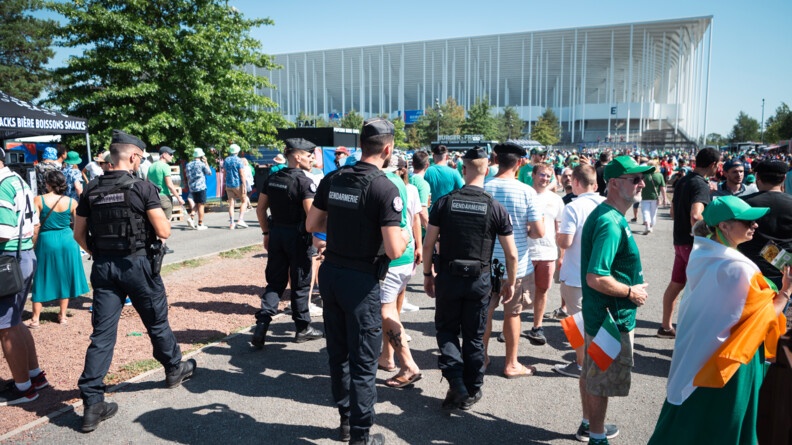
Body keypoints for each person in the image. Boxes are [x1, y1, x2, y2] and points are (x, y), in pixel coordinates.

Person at [73, 130, 196, 433]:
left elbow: (78, 234)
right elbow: (164, 231)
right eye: (140, 157)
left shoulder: (90, 189)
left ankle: (91, 403)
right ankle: (173, 368)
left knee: (102, 335)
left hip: (103, 267)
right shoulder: (142, 188)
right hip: (138, 265)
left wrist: (100, 253)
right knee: (156, 321)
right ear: (133, 157)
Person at [648, 196, 790, 445]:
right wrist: (786, 291)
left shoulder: (704, 254)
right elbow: (765, 316)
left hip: (701, 352)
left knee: (692, 420)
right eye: (747, 220)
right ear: (723, 226)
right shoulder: (738, 268)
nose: (755, 224)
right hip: (731, 360)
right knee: (724, 426)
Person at [306, 117, 409, 445]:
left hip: (332, 274)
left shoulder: (334, 177)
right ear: (388, 149)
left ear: (360, 146)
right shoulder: (384, 186)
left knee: (338, 354)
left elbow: (312, 223)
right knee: (364, 360)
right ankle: (361, 436)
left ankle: (347, 421)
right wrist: (406, 237)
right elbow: (394, 249)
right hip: (361, 280)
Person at [423, 146, 518, 411]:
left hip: (449, 278)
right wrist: (511, 281)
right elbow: (511, 253)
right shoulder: (495, 207)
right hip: (480, 280)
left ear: (463, 169)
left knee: (447, 330)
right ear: (487, 170)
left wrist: (427, 274)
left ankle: (456, 382)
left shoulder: (444, 202)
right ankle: (472, 388)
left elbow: (429, 243)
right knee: (475, 337)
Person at [576, 155, 653, 445]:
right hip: (609, 318)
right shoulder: (610, 222)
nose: (642, 183)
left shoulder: (611, 216)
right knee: (601, 381)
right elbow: (596, 277)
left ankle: (589, 425)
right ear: (615, 183)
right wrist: (631, 292)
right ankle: (597, 436)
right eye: (636, 179)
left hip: (603, 313)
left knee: (592, 374)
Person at [252, 138, 324, 348]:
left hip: (276, 235)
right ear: (297, 156)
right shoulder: (305, 181)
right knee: (300, 283)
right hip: (297, 237)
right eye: (309, 155)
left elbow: (260, 209)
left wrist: (266, 232)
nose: (312, 159)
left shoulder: (273, 178)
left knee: (274, 283)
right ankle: (303, 328)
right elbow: (312, 217)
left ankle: (262, 324)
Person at [482, 142, 544, 379]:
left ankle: (483, 357)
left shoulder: (485, 187)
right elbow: (539, 230)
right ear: (519, 163)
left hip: (488, 263)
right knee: (513, 314)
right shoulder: (527, 191)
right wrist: (524, 231)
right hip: (516, 264)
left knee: (485, 312)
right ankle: (511, 363)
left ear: (495, 160)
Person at [0, 147, 48, 406]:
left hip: (8, 260)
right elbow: (33, 223)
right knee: (15, 321)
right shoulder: (16, 179)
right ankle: (32, 376)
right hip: (22, 255)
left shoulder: (2, 185)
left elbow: (3, 231)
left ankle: (23, 388)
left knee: (6, 326)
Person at [658, 147, 720, 339]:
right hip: (694, 244)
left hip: (680, 241)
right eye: (718, 165)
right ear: (712, 165)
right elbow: (696, 215)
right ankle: (692, 332)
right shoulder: (700, 185)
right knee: (697, 290)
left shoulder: (683, 179)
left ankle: (666, 327)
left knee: (676, 285)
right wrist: (711, 235)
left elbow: (673, 213)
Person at [552, 164, 606, 379]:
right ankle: (599, 361)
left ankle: (581, 364)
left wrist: (556, 235)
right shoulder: (607, 204)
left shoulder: (573, 207)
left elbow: (566, 240)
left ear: (575, 182)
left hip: (576, 272)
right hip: (602, 272)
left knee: (576, 321)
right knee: (598, 318)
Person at [377, 155, 423, 389]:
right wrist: (419, 245)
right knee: (393, 308)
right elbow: (414, 219)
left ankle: (408, 365)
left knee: (386, 311)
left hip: (392, 256)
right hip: (405, 252)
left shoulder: (380, 182)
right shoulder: (406, 187)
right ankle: (387, 356)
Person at [29, 170, 89, 327]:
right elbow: (79, 227)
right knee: (64, 276)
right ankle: (62, 316)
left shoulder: (38, 200)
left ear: (48, 184)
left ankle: (35, 318)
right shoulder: (71, 202)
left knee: (41, 276)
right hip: (68, 240)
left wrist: (32, 244)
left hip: (47, 239)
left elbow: (36, 226)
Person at [525, 163, 564, 345]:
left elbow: (560, 228)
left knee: (542, 290)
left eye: (548, 176)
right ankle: (511, 325)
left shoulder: (556, 199)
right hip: (525, 250)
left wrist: (561, 255)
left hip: (548, 251)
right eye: (541, 175)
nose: (545, 179)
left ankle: (537, 327)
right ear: (533, 175)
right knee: (518, 292)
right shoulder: (525, 194)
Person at [738, 159, 792, 290]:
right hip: (785, 271)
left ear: (757, 177)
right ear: (784, 178)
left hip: (750, 270)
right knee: (779, 308)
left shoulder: (742, 204)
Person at [147, 146, 184, 220]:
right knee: (166, 223)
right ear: (164, 155)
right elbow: (169, 184)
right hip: (164, 197)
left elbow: (147, 181)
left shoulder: (151, 166)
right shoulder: (165, 166)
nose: (172, 156)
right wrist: (178, 197)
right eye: (170, 154)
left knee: (156, 224)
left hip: (153, 198)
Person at [222, 143, 249, 229]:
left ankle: (231, 223)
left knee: (231, 204)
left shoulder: (226, 160)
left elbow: (224, 173)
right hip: (238, 184)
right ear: (237, 151)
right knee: (244, 201)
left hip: (228, 184)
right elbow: (242, 174)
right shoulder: (239, 160)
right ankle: (240, 219)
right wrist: (244, 185)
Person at [185, 148, 212, 230]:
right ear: (201, 156)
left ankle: (191, 217)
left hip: (192, 187)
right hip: (201, 186)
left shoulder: (188, 164)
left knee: (197, 203)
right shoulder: (201, 164)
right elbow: (209, 173)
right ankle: (200, 223)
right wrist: (206, 162)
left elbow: (187, 176)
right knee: (201, 205)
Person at [640, 160, 668, 235]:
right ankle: (650, 226)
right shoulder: (659, 175)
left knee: (645, 212)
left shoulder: (644, 175)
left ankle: (647, 226)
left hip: (645, 197)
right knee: (653, 213)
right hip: (655, 197)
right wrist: (665, 198)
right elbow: (662, 188)